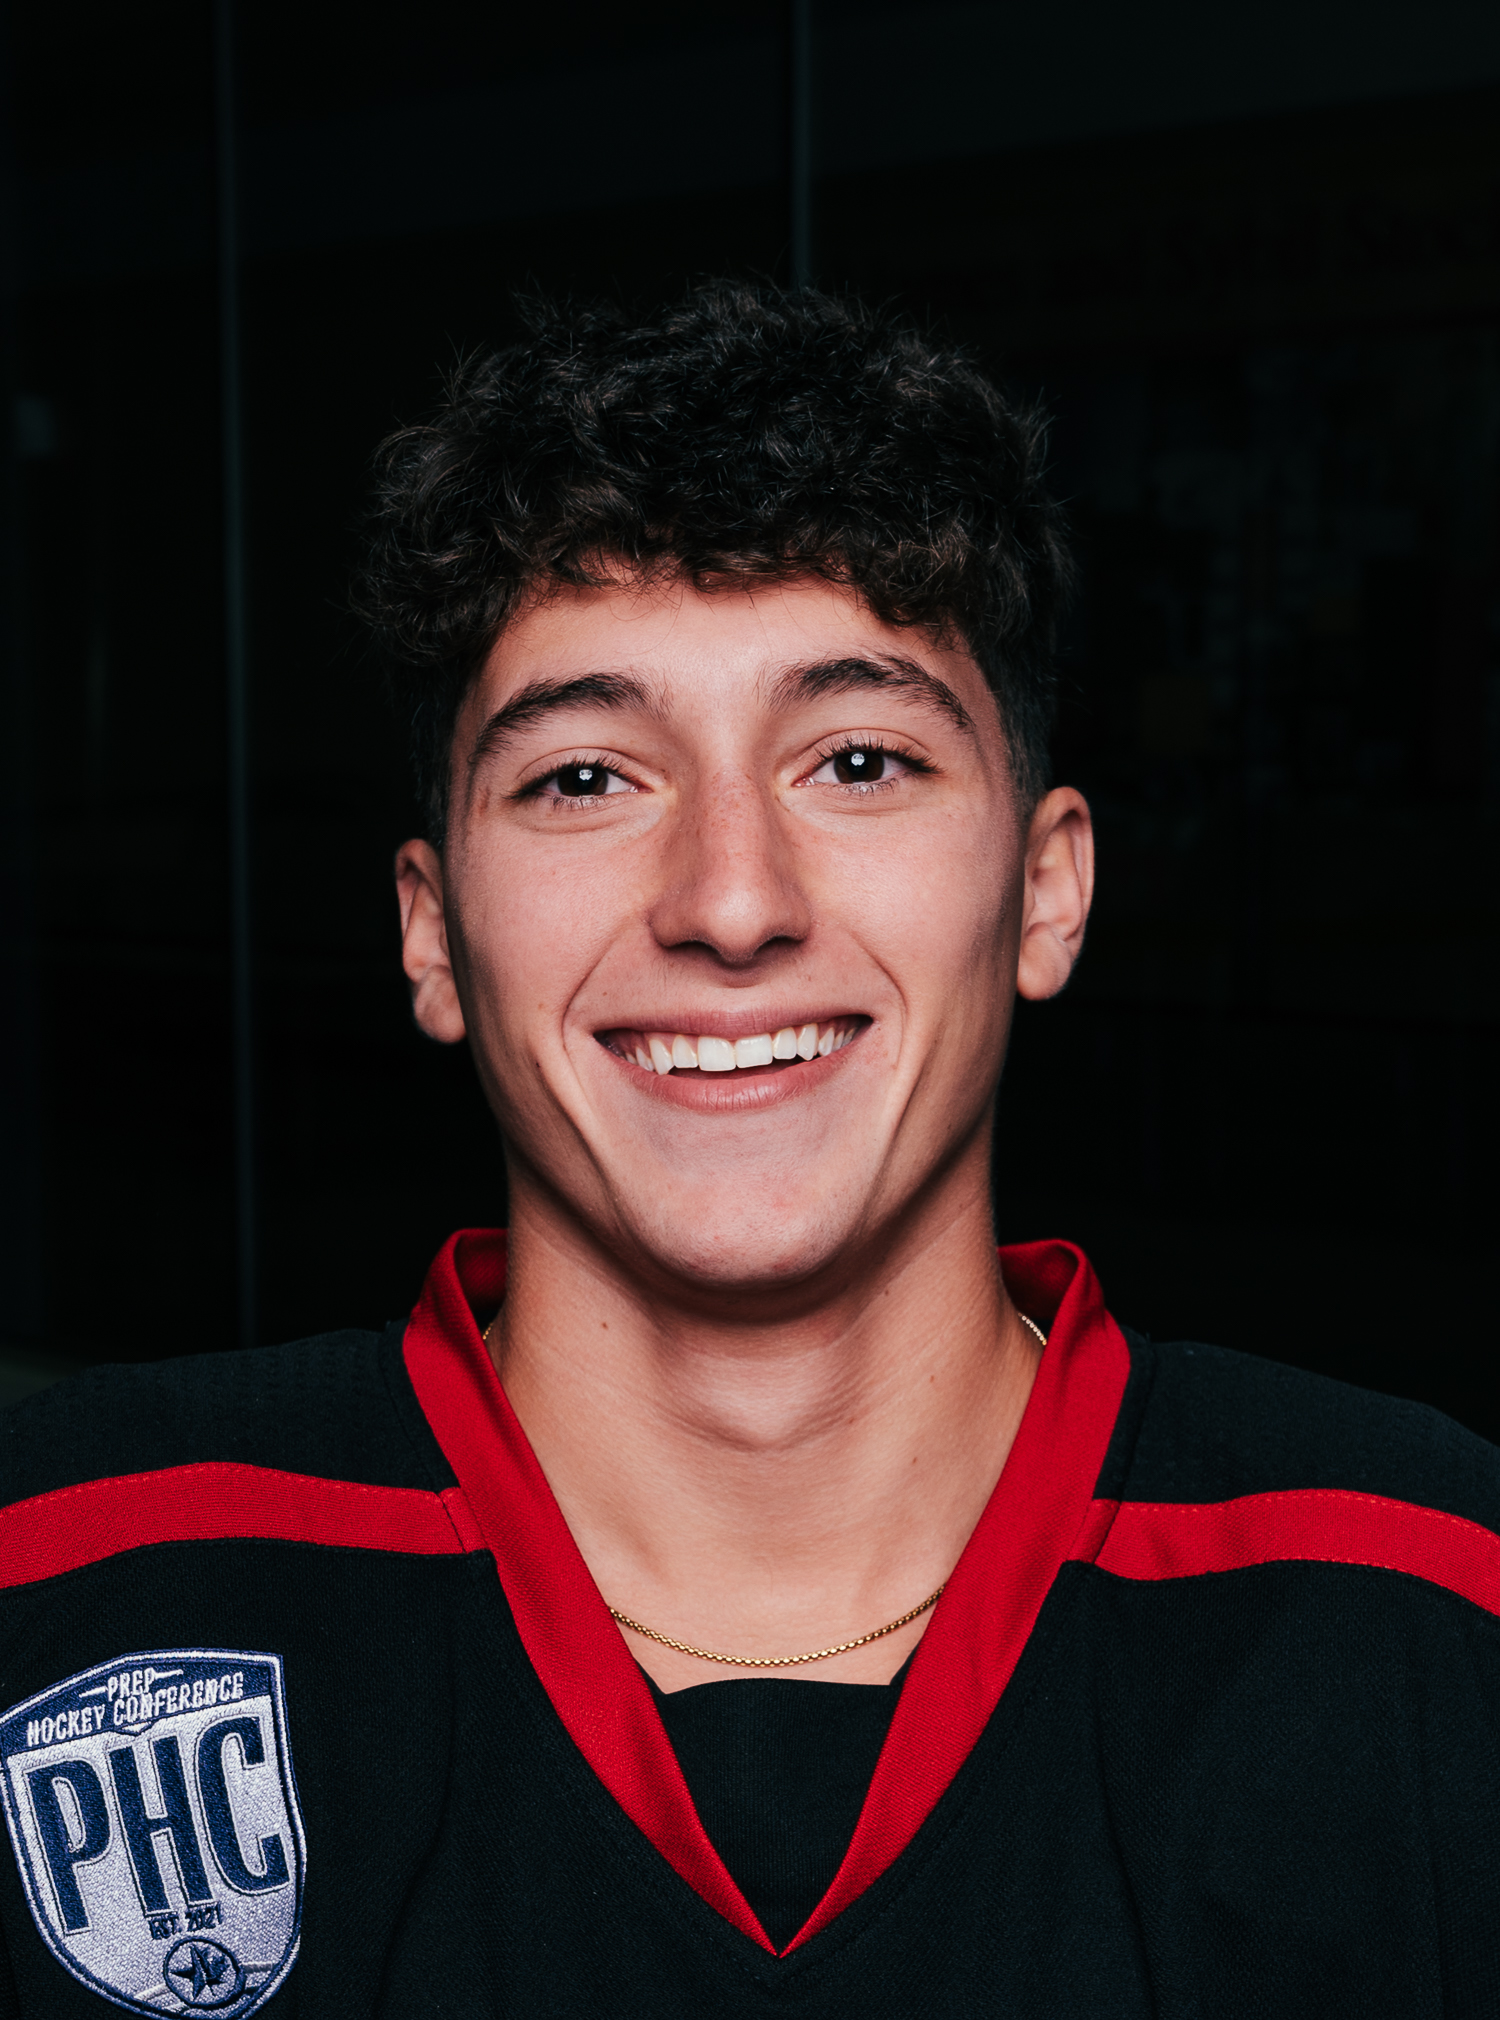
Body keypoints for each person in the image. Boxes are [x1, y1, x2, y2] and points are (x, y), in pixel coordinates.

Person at [2, 283, 1498, 2020]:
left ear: (1047, 888)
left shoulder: (1424, 1609)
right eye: (584, 778)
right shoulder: (71, 1573)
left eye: (857, 760)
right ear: (430, 929)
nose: (730, 902)